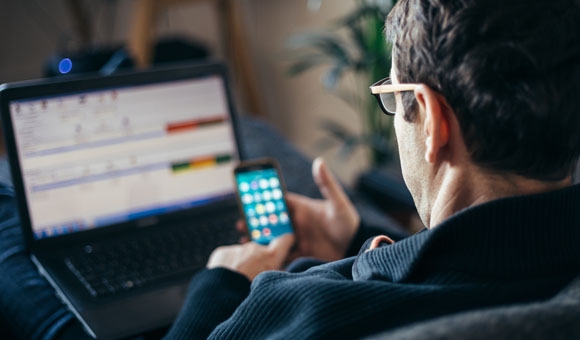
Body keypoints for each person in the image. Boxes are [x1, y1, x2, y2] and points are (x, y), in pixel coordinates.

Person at [1, 0, 580, 339]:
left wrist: (221, 282)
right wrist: (356, 239)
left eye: (391, 94)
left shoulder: (299, 309)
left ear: (431, 120)